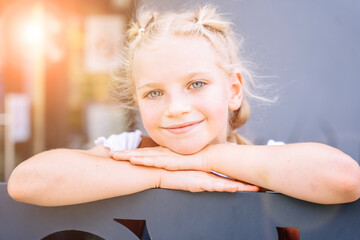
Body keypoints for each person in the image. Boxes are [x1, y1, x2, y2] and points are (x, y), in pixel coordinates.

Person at [8, 5, 360, 207]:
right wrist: (162, 173)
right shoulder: (135, 152)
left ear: (233, 90)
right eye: (154, 93)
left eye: (196, 84)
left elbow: (345, 180)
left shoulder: (266, 162)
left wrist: (207, 159)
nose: (175, 107)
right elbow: (27, 182)